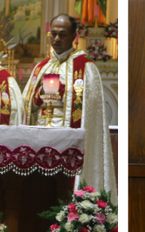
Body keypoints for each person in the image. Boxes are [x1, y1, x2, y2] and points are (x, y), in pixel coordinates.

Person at [22, 14, 115, 194]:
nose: (56, 38)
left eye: (62, 34)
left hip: (67, 139)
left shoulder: (86, 67)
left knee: (64, 188)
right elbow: (26, 105)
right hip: (39, 139)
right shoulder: (41, 67)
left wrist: (63, 92)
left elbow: (91, 108)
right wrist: (39, 95)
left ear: (74, 36)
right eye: (53, 34)